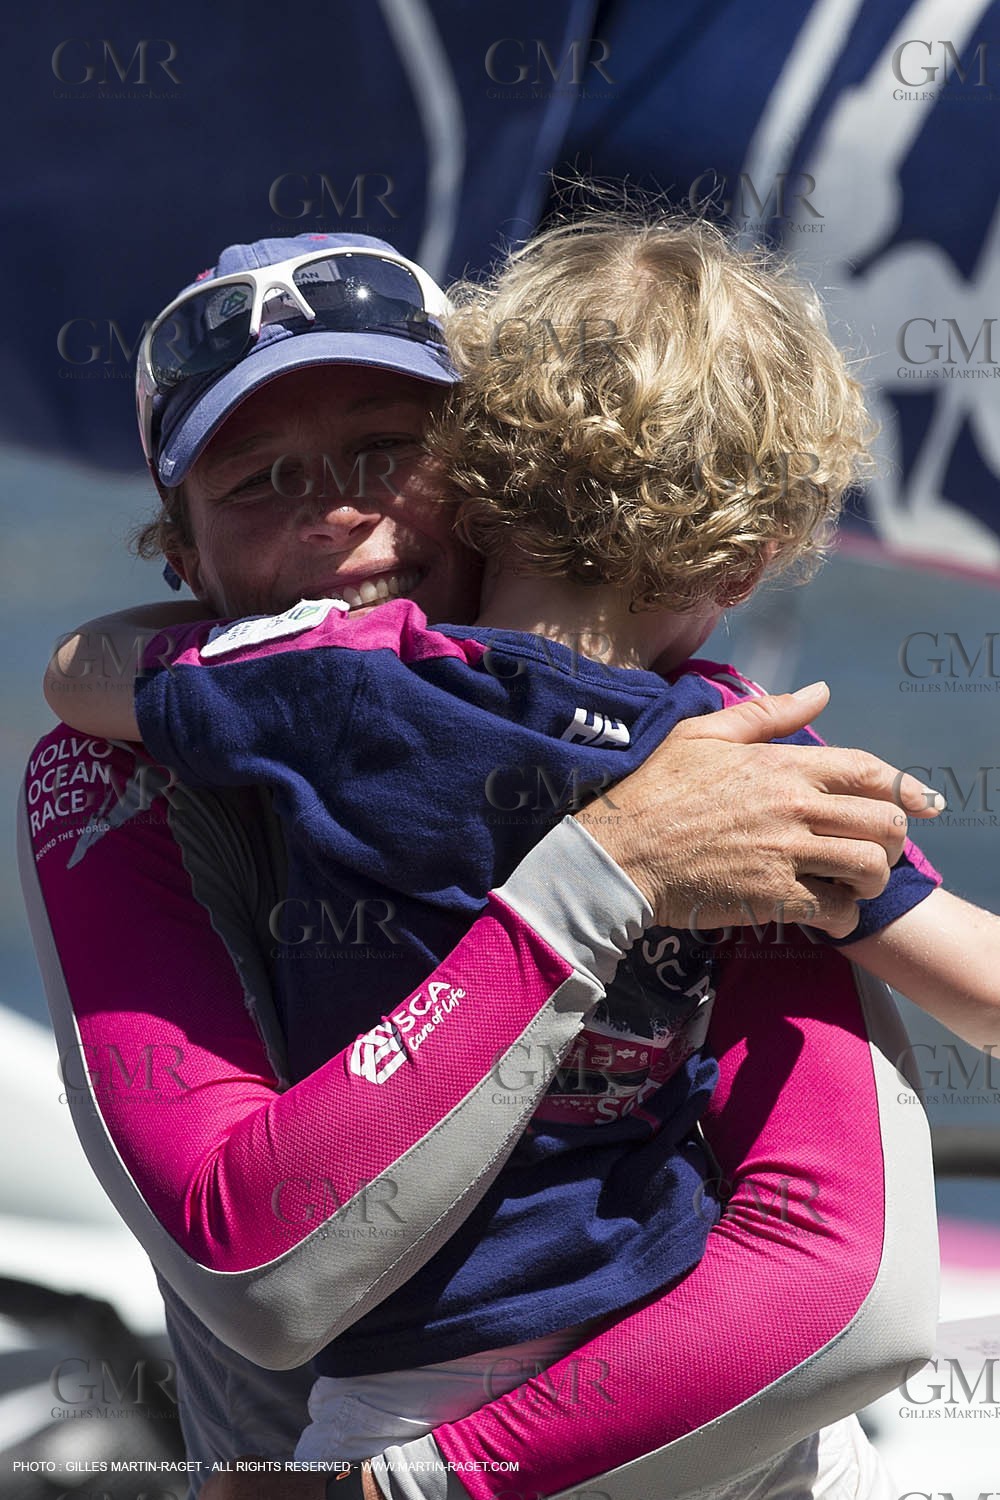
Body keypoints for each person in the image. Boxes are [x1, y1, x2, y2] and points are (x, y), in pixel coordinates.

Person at [47, 213, 991, 1499]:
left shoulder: (342, 686)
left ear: (488, 473)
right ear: (182, 551)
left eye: (386, 451)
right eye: (257, 479)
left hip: (464, 1433)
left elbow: (840, 1290)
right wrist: (610, 866)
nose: (333, 514)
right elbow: (256, 1266)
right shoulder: (715, 752)